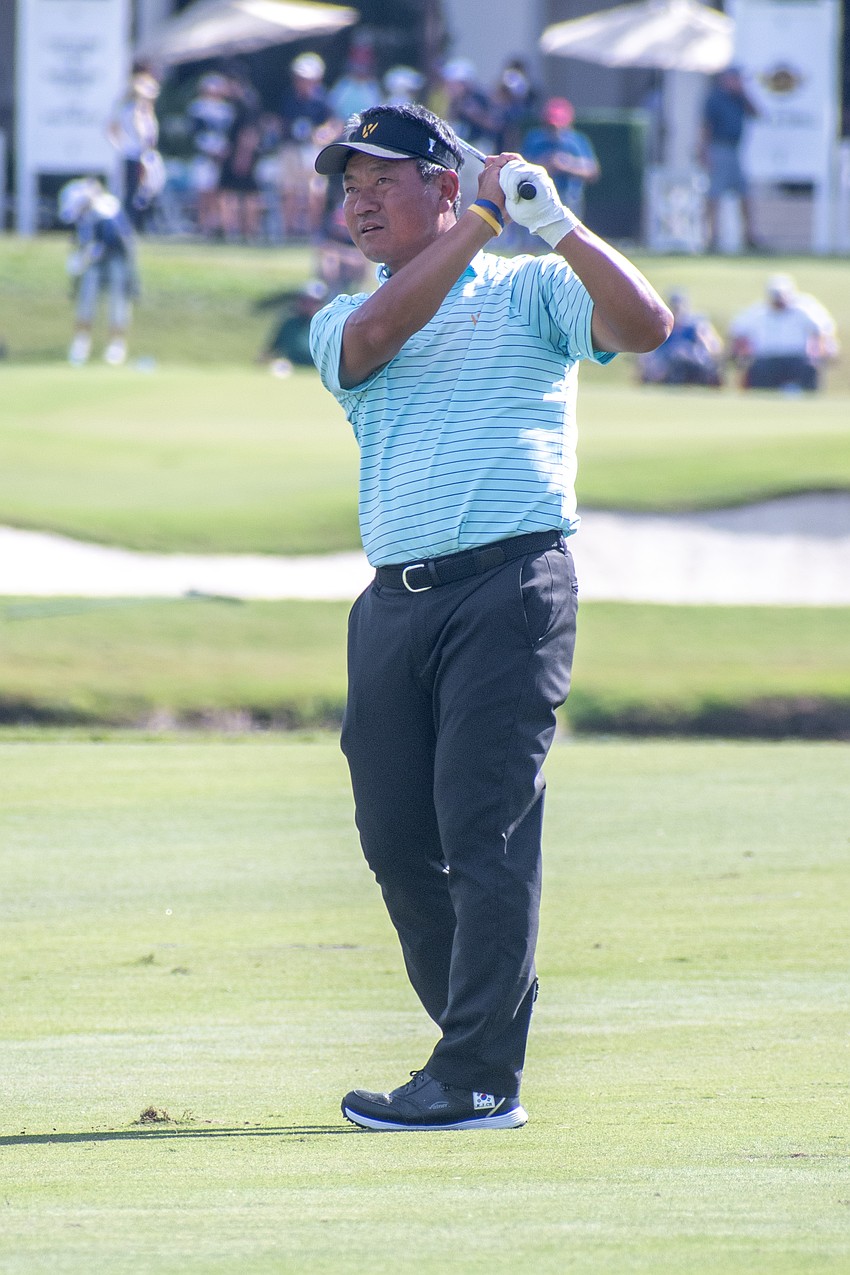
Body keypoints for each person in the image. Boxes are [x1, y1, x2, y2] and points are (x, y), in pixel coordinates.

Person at [309, 103, 671, 1132]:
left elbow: (646, 328)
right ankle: (477, 1043)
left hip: (509, 589)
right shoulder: (341, 316)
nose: (360, 201)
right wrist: (481, 219)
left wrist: (554, 224)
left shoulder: (534, 290)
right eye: (350, 185)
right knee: (393, 840)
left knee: (484, 830)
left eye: (382, 180)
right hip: (392, 604)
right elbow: (383, 335)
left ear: (438, 182)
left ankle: (475, 1075)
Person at [58, 177, 139, 367]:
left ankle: (116, 346)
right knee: (86, 300)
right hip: (94, 262)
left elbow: (119, 241)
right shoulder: (83, 217)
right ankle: (81, 345)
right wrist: (81, 257)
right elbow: (81, 239)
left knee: (117, 304)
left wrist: (92, 252)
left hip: (116, 260)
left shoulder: (106, 208)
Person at [728, 274, 839, 391]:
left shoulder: (803, 311)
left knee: (810, 368)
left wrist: (825, 350)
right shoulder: (757, 312)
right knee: (757, 372)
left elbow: (823, 330)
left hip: (796, 358)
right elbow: (736, 332)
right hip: (766, 359)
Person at [700, 67, 759, 253]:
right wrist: (704, 152)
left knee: (745, 193)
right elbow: (705, 127)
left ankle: (748, 237)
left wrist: (743, 93)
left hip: (734, 150)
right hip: (719, 148)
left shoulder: (740, 98)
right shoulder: (715, 99)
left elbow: (756, 113)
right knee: (714, 195)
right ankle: (711, 237)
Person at [523, 97, 599, 220]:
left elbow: (592, 171)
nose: (554, 129)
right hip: (539, 198)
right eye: (550, 125)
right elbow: (522, 167)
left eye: (558, 125)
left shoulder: (577, 141)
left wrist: (566, 165)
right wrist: (545, 164)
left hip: (569, 198)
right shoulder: (534, 139)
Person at [106, 69, 162, 231]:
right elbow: (114, 129)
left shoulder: (145, 111)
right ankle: (129, 224)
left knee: (145, 191)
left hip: (145, 156)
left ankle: (140, 223)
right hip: (133, 155)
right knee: (132, 191)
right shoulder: (130, 109)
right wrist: (122, 146)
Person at [638, 289, 724, 387]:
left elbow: (714, 348)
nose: (677, 310)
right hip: (667, 367)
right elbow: (648, 354)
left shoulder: (696, 325)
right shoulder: (663, 327)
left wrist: (702, 339)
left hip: (694, 365)